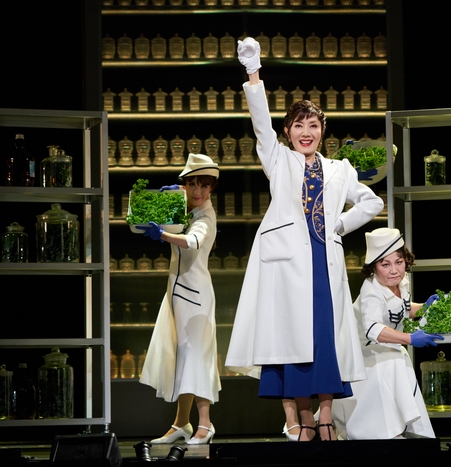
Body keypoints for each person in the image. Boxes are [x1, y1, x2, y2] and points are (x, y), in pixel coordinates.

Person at [224, 37, 384, 442]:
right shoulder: (278, 159)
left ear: (323, 130)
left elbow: (372, 202)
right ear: (288, 131)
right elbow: (260, 124)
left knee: (325, 338)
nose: (306, 132)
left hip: (323, 259)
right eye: (298, 125)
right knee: (291, 342)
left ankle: (326, 417)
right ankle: (304, 419)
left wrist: (339, 225)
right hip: (286, 265)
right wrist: (253, 73)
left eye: (313, 125)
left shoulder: (340, 168)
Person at [136, 153, 221, 445]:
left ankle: (205, 424)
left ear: (211, 188)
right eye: (192, 184)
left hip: (195, 296)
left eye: (204, 185)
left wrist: (162, 235)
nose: (198, 191)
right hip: (178, 293)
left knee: (196, 357)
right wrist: (170, 200)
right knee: (182, 356)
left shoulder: (205, 216)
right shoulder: (188, 209)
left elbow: (193, 241)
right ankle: (181, 423)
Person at [331, 228, 440, 439]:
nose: (394, 271)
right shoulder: (371, 292)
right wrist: (410, 339)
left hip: (385, 350)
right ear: (374, 267)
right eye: (385, 265)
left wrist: (422, 308)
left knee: (398, 356)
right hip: (361, 356)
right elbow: (372, 328)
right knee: (395, 358)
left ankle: (405, 429)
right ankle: (387, 433)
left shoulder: (401, 282)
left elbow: (400, 309)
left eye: (399, 262)